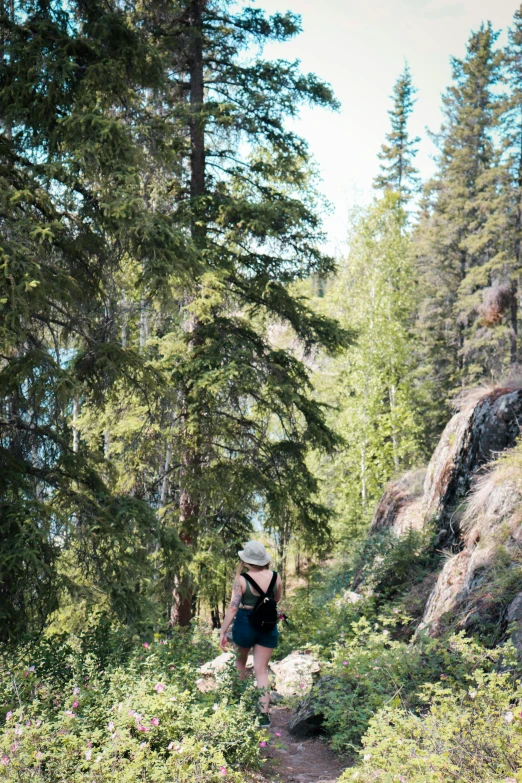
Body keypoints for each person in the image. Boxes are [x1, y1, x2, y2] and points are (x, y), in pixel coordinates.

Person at [219, 540, 282, 726]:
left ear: (246, 561)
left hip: (245, 622)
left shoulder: (242, 580)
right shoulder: (275, 577)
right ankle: (263, 716)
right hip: (267, 625)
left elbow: (232, 608)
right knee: (261, 671)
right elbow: (275, 600)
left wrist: (223, 631)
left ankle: (238, 707)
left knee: (240, 663)